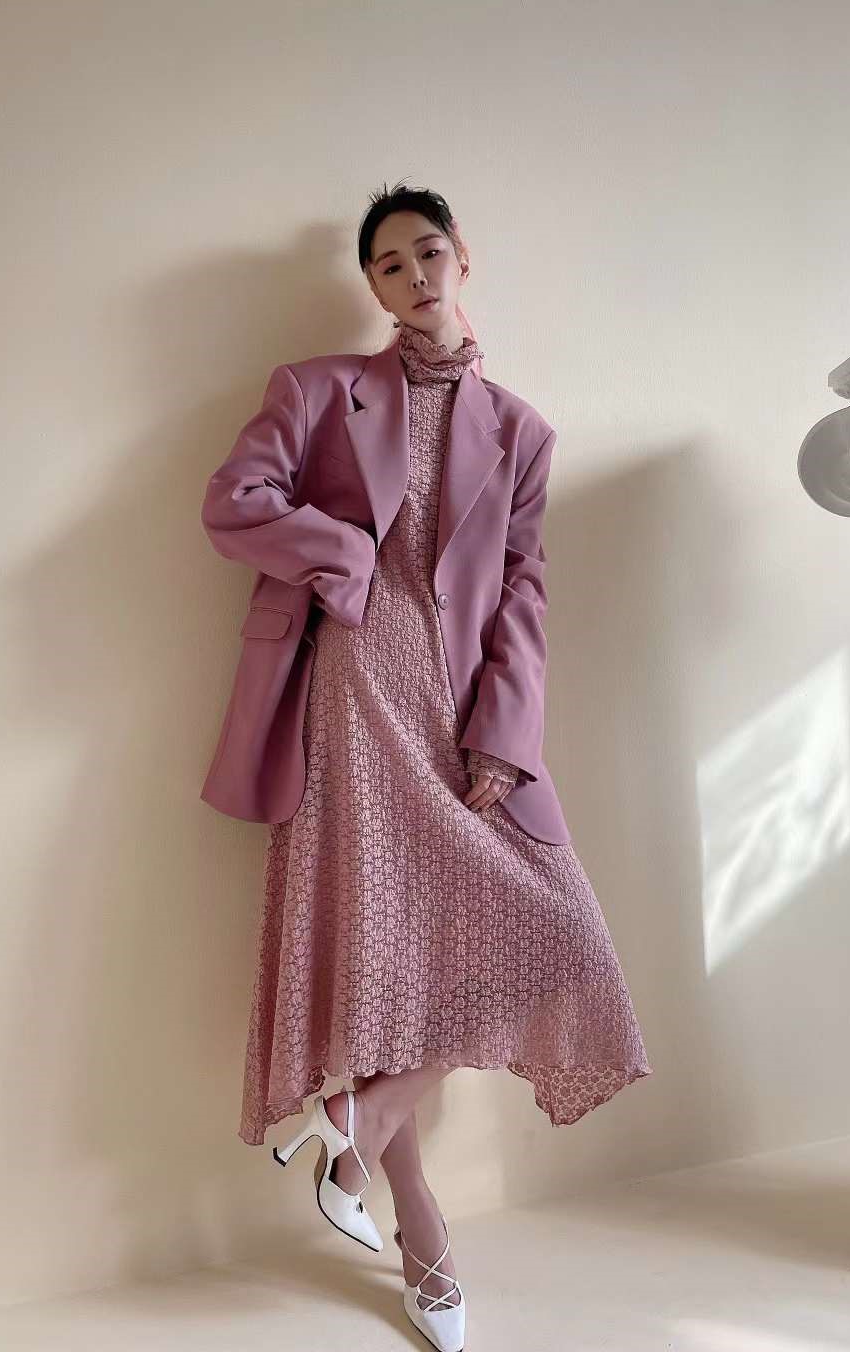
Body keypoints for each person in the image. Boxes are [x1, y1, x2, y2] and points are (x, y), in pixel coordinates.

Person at [202, 181, 652, 1350]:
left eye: (428, 252)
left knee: (554, 935)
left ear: (463, 259)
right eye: (389, 265)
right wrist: (343, 550)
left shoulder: (523, 432)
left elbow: (523, 593)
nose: (413, 276)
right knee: (381, 959)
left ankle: (351, 1125)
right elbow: (234, 502)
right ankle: (424, 1237)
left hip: (462, 711)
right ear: (374, 286)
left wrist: (506, 734)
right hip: (353, 692)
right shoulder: (319, 389)